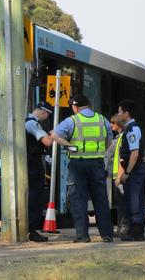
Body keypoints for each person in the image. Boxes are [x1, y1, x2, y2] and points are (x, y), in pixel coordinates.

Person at [50, 94, 114, 243]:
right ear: (88, 105)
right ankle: (107, 234)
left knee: (79, 200)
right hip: (97, 163)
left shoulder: (72, 120)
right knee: (101, 199)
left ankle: (83, 236)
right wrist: (99, 152)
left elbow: (55, 135)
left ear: (75, 106)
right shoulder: (102, 120)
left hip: (78, 164)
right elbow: (109, 140)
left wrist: (68, 146)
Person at [116, 99, 145, 241]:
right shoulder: (129, 129)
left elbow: (134, 153)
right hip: (132, 168)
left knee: (134, 198)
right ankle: (135, 230)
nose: (118, 114)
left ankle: (136, 230)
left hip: (134, 169)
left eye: (120, 111)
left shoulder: (132, 129)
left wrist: (127, 172)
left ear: (126, 113)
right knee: (132, 198)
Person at [25, 101, 54, 242]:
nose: (47, 118)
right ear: (44, 112)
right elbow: (47, 142)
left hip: (30, 164)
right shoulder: (32, 124)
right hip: (33, 165)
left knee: (34, 197)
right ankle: (31, 230)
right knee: (35, 197)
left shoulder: (26, 121)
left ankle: (30, 229)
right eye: (48, 115)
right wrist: (54, 134)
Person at [106, 114, 128, 237]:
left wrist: (119, 176)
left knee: (123, 203)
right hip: (116, 175)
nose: (111, 125)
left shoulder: (122, 138)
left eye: (113, 122)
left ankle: (123, 228)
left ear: (119, 124)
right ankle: (120, 228)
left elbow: (121, 159)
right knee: (120, 203)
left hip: (120, 176)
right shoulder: (119, 138)